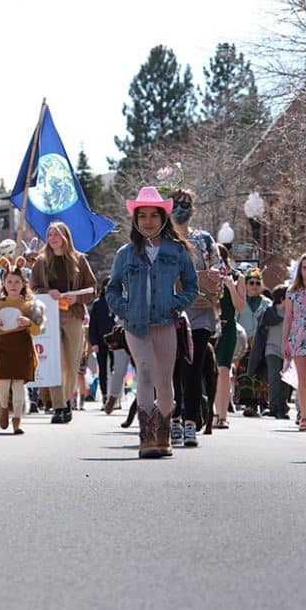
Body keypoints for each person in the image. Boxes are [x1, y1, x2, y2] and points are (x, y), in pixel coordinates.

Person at [106, 186, 198, 458]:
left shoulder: (177, 250)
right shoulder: (125, 253)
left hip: (166, 323)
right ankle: (146, 438)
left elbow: (191, 286)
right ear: (135, 219)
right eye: (142, 215)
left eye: (153, 215)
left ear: (163, 218)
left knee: (164, 382)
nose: (148, 221)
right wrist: (124, 310)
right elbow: (112, 289)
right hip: (135, 326)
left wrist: (176, 304)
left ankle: (163, 434)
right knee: (144, 373)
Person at [168, 187, 220, 447]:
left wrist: (216, 274)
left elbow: (220, 267)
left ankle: (191, 422)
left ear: (193, 209)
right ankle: (174, 420)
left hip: (200, 314)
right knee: (173, 369)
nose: (181, 209)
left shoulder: (204, 240)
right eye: (176, 204)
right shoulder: (162, 239)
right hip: (170, 314)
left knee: (194, 368)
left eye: (185, 205)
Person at [30, 222, 96, 424]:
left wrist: (77, 298)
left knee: (72, 362)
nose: (53, 238)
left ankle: (67, 400)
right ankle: (58, 406)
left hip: (73, 315)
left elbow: (92, 290)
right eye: (50, 234)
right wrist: (47, 292)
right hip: (50, 316)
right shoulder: (41, 262)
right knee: (54, 361)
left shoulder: (79, 260)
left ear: (65, 237)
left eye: (56, 234)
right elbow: (32, 289)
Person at [0, 257, 45, 434]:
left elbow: (37, 331)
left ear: (24, 283)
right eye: (9, 281)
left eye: (17, 282)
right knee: (3, 384)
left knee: (18, 384)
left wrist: (29, 323)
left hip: (22, 348)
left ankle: (17, 419)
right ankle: (3, 408)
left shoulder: (30, 305)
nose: (13, 285)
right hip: (3, 348)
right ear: (4, 283)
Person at [281, 252, 306, 431]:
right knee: (302, 381)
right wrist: (284, 342)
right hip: (298, 338)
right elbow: (288, 318)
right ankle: (304, 416)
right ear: (300, 270)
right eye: (305, 268)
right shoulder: (292, 292)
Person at [212, 246, 245, 428]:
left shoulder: (237, 276)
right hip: (208, 326)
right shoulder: (206, 275)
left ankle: (222, 415)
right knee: (208, 372)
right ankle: (211, 413)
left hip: (227, 327)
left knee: (223, 370)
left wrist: (231, 287)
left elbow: (240, 307)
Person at [247, 282, 288, 419]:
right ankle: (274, 407)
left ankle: (282, 407)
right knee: (274, 378)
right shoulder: (269, 313)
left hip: (287, 351)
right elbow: (261, 332)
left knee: (286, 381)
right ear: (282, 299)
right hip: (272, 350)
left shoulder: (292, 313)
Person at [237, 267, 272, 417]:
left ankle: (264, 404)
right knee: (246, 374)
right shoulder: (240, 302)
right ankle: (249, 405)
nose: (254, 285)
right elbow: (235, 322)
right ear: (246, 285)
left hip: (262, 343)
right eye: (251, 282)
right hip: (245, 344)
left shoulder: (268, 303)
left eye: (258, 283)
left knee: (262, 374)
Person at [88, 276, 115, 411]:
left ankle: (115, 396)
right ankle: (105, 396)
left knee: (115, 370)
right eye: (106, 285)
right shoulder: (98, 303)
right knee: (103, 370)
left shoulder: (118, 301)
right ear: (103, 287)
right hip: (101, 341)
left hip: (116, 342)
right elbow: (92, 325)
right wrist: (93, 342)